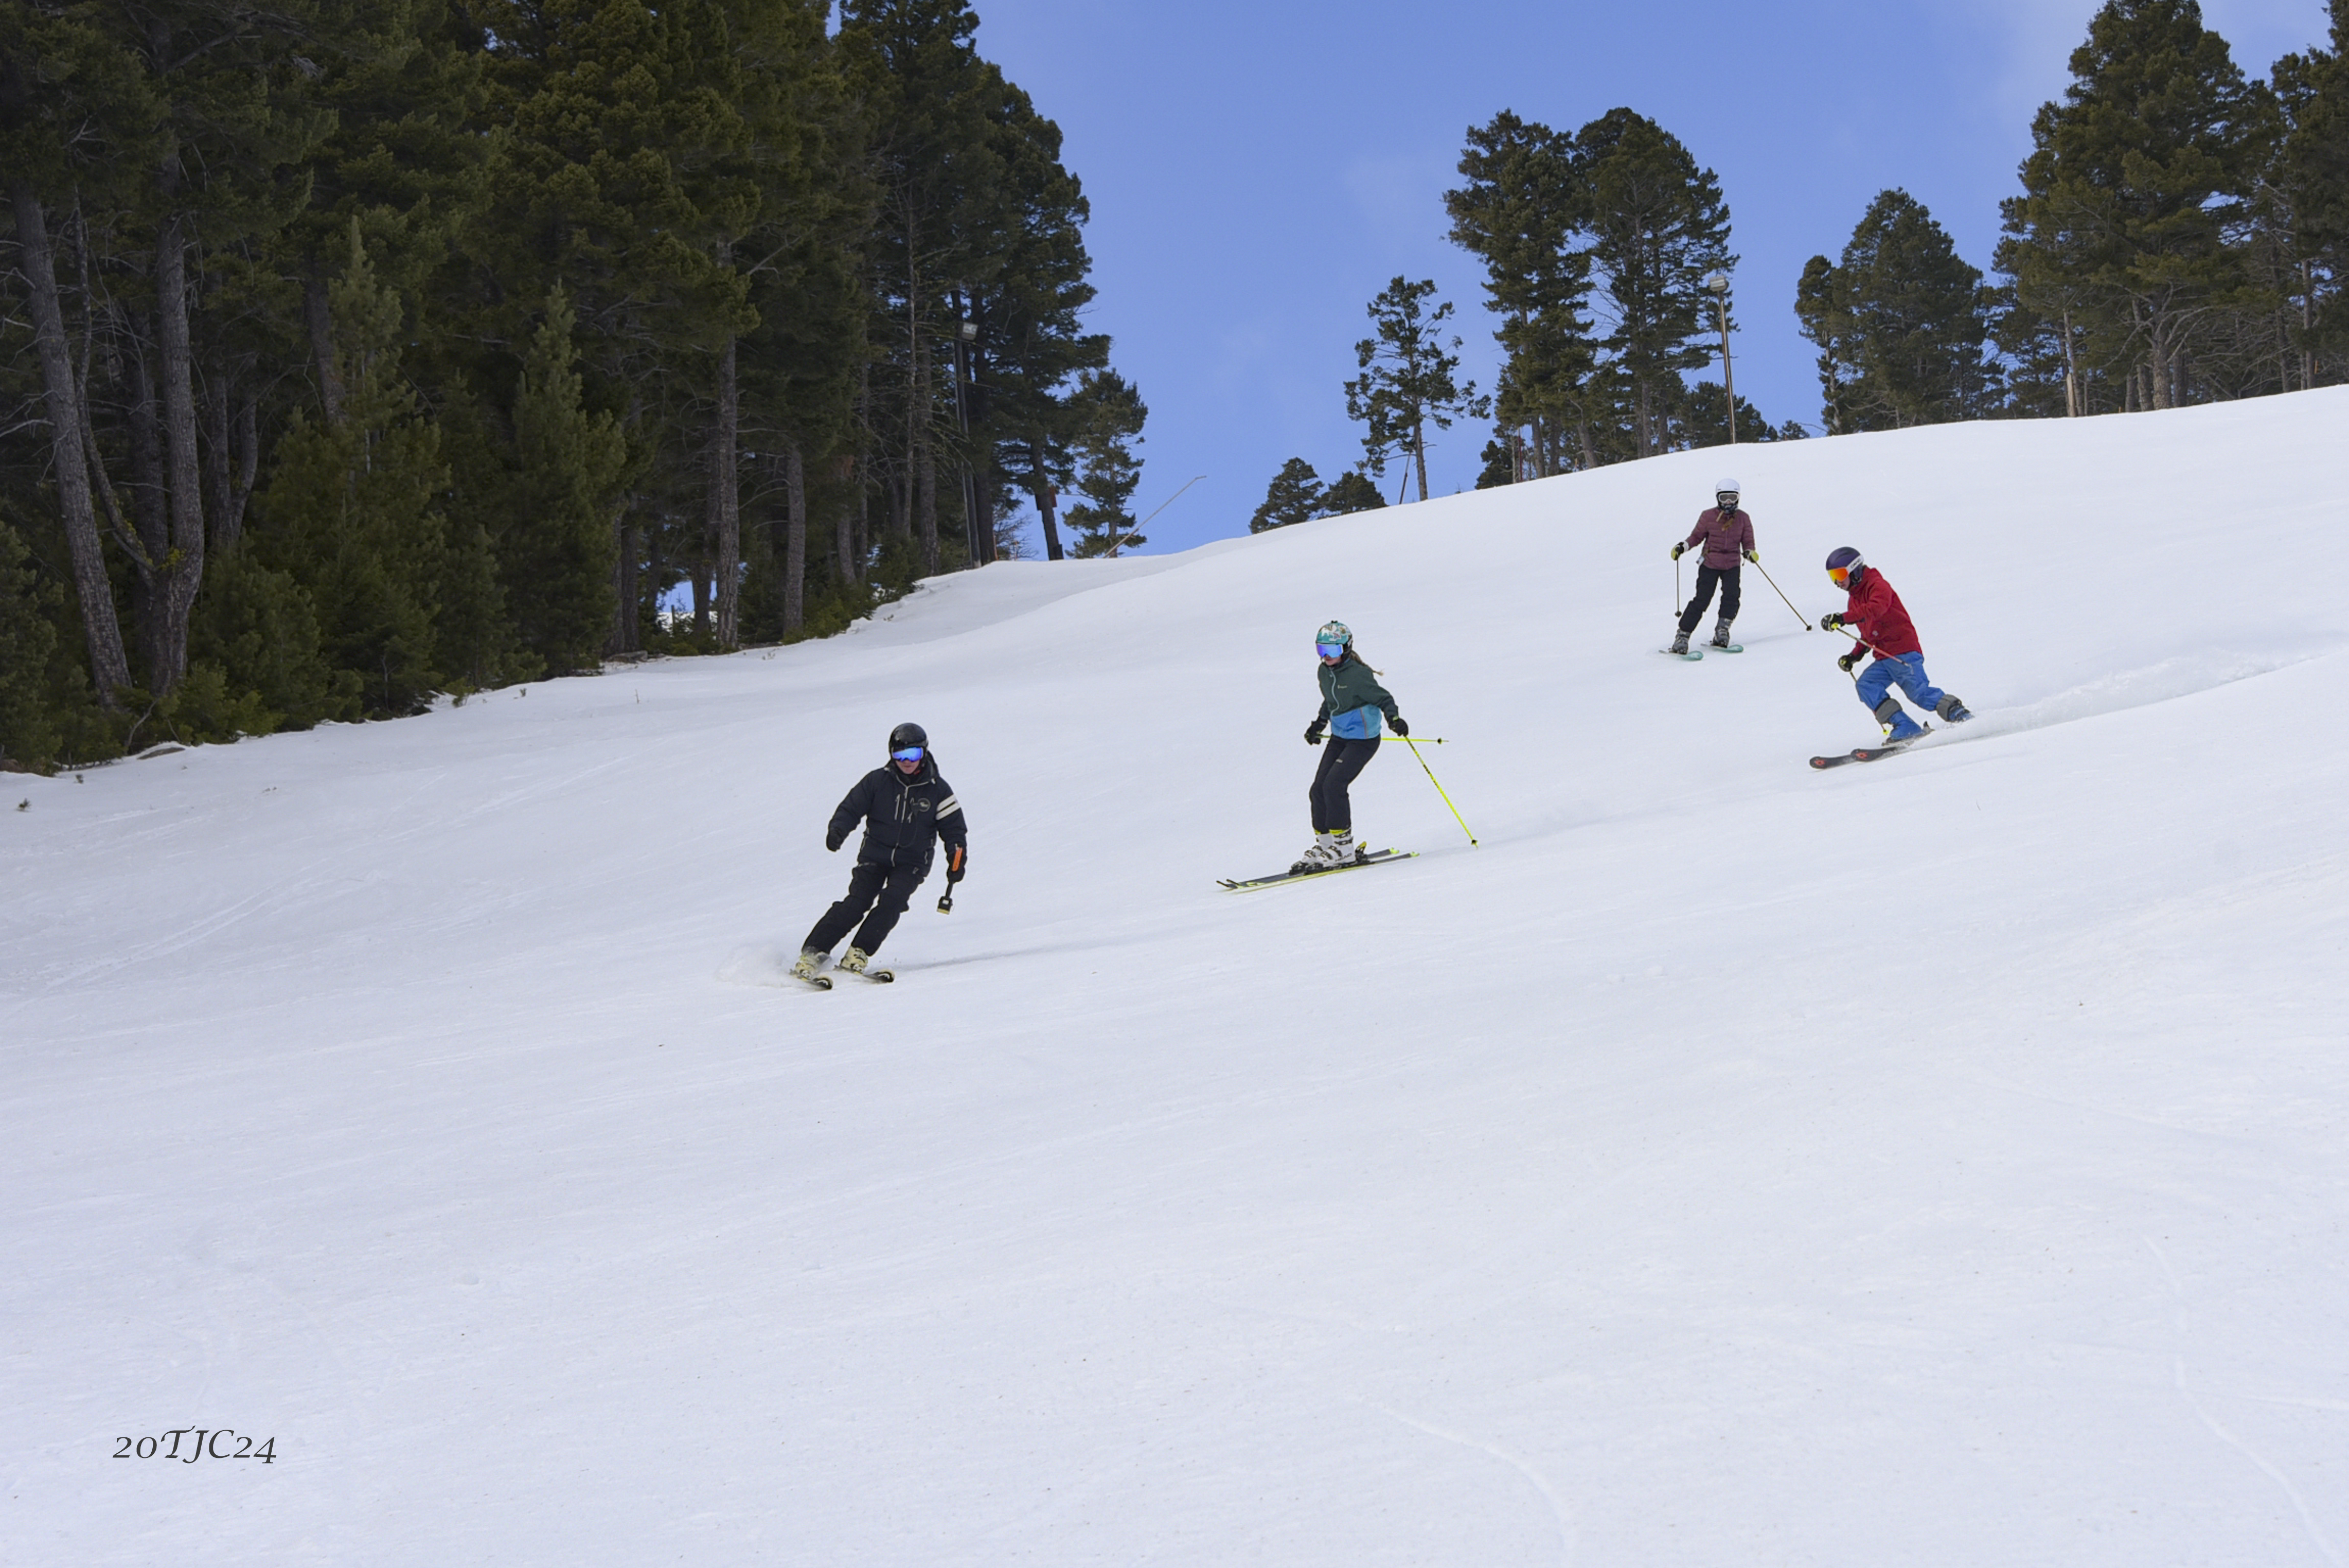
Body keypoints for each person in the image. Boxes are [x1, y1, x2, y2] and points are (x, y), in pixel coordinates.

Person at [792, 722, 967, 981]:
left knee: (893, 902)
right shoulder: (877, 781)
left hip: (913, 861)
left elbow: (955, 831)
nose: (906, 762)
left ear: (925, 753)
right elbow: (851, 808)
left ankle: (858, 953)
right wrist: (838, 830)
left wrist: (956, 859)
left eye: (913, 755)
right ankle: (813, 953)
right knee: (856, 903)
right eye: (900, 756)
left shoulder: (939, 790)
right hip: (875, 856)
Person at [1818, 547, 1973, 742]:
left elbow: (1877, 608)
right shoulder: (1854, 601)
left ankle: (1959, 714)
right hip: (1884, 657)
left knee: (1919, 694)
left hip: (1903, 652)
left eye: (1840, 574)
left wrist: (1843, 618)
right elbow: (1868, 634)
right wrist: (1854, 656)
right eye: (1832, 576)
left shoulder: (1878, 585)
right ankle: (1905, 726)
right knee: (1867, 685)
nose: (1837, 582)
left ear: (1854, 569)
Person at [1295, 621, 1407, 873]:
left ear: (1346, 649)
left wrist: (1395, 719)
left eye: (1332, 651)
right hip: (1339, 737)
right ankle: (1327, 845)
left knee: (1334, 785)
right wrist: (1319, 724)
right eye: (1321, 650)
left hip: (1363, 740)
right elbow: (1331, 700)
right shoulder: (1324, 672)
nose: (1326, 657)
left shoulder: (1358, 675)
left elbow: (1384, 698)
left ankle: (1344, 849)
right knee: (1318, 790)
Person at [1669, 476, 1758, 654]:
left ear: (1738, 498)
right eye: (1724, 498)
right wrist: (1683, 547)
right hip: (1710, 564)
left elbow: (1748, 541)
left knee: (1732, 598)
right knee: (1702, 600)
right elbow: (1696, 537)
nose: (1728, 502)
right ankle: (1682, 636)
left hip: (1732, 564)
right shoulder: (1708, 516)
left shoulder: (1743, 518)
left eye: (1732, 498)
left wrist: (1750, 552)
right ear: (1717, 498)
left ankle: (1722, 632)